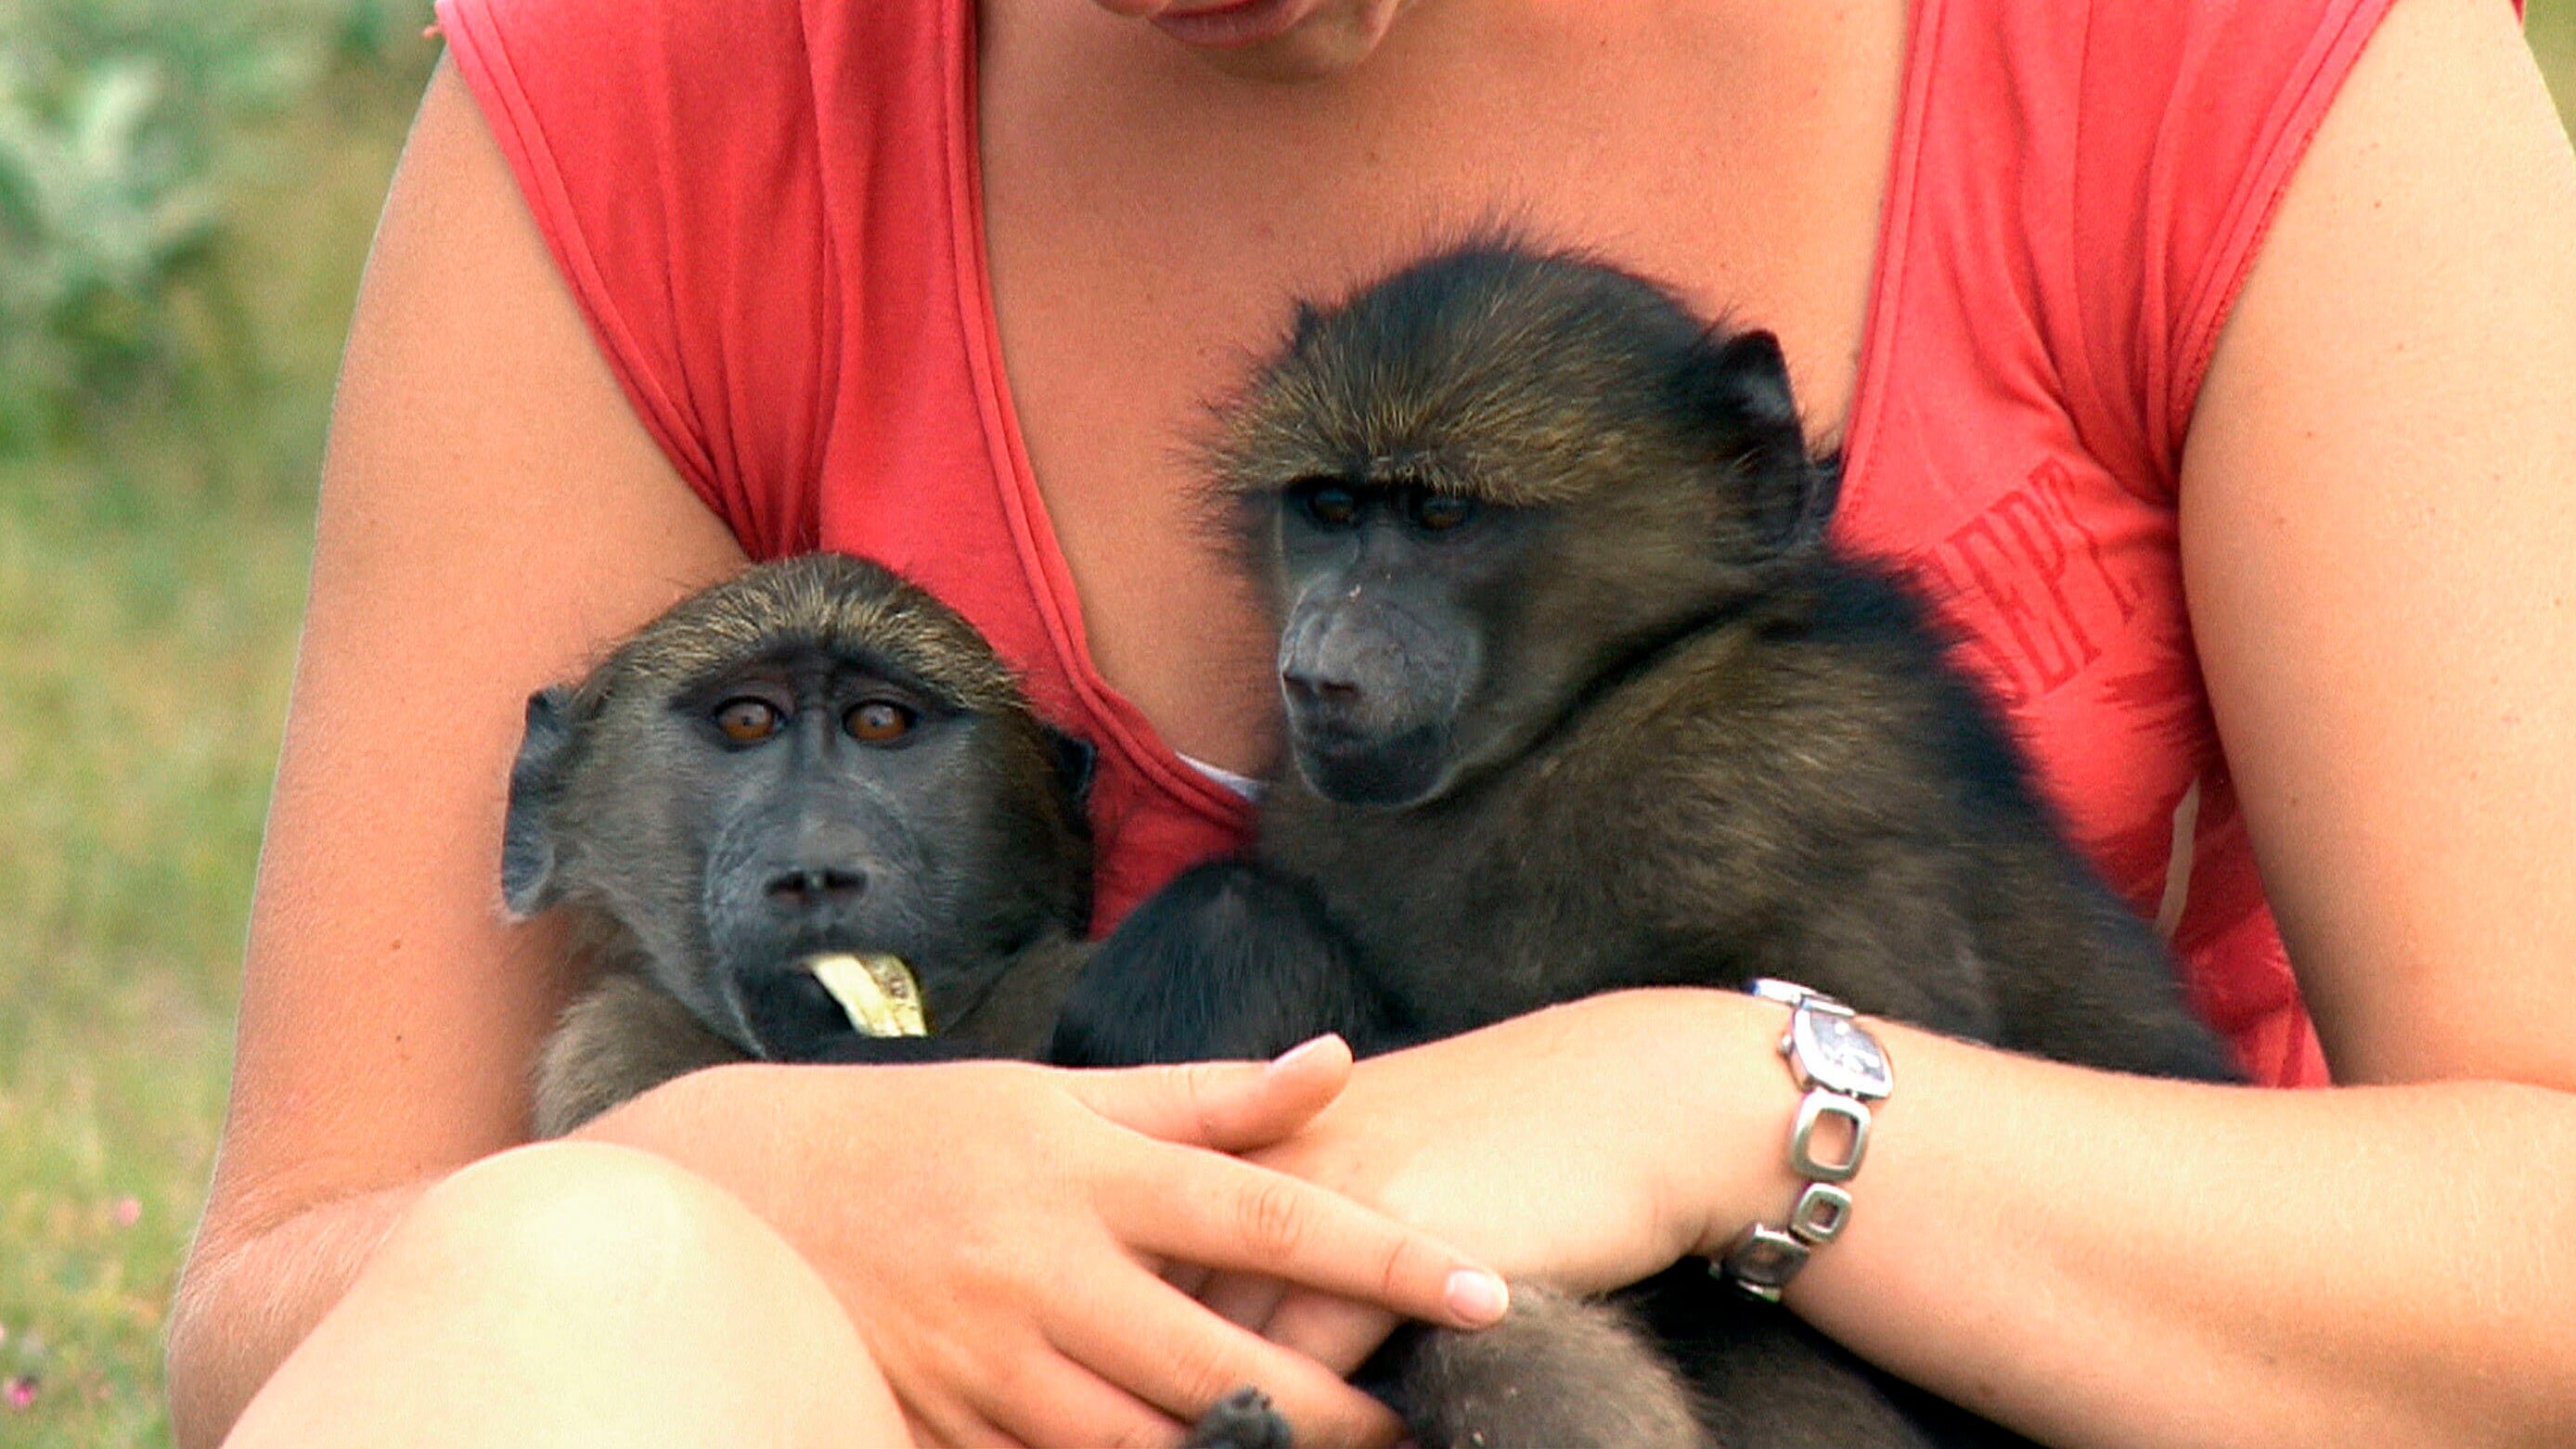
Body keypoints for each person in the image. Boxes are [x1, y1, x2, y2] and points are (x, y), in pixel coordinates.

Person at [167, 0, 2576, 1443]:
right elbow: (304, 1319)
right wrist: (766, 1189)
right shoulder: (670, 92)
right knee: (573, 1266)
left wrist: (1723, 1092)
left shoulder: (2205, 63)